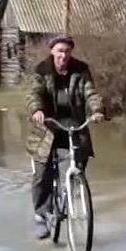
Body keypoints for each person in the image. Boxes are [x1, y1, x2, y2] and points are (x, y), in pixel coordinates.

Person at [25, 35, 103, 239]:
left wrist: (96, 110)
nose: (63, 55)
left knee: (78, 163)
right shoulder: (41, 70)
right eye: (60, 51)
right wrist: (37, 110)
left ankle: (69, 193)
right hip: (47, 127)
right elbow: (34, 93)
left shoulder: (81, 70)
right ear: (52, 51)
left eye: (67, 51)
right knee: (42, 173)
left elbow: (91, 93)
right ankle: (41, 216)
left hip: (74, 127)